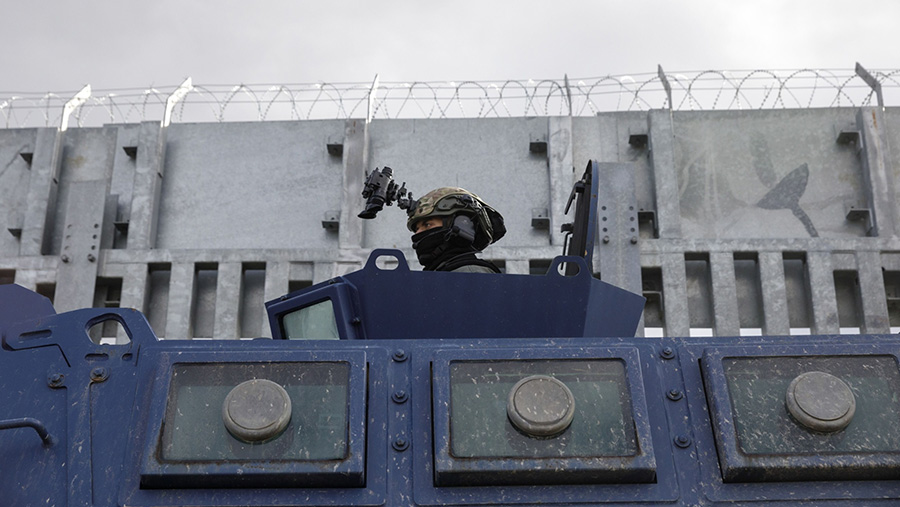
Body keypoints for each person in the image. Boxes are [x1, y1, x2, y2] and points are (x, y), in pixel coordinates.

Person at [407, 187, 506, 273]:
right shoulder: (442, 273)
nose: (418, 234)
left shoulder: (469, 274)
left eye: (427, 224)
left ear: (463, 225)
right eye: (416, 229)